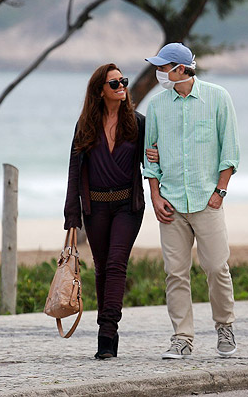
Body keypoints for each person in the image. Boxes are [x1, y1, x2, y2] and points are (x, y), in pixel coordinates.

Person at [142, 42, 240, 359]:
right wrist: (155, 196)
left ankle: (225, 328)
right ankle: (182, 337)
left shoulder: (217, 98)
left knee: (216, 268)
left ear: (180, 69)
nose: (159, 73)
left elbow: (230, 151)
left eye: (163, 67)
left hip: (206, 200)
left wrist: (219, 192)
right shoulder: (157, 106)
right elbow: (150, 158)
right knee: (175, 273)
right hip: (170, 203)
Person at [63, 63, 156, 359]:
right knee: (102, 268)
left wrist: (155, 155)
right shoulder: (85, 126)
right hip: (96, 207)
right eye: (114, 84)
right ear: (100, 91)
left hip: (128, 206)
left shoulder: (138, 123)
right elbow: (74, 172)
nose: (121, 87)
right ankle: (106, 335)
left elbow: (151, 164)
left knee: (116, 264)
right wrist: (72, 217)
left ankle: (107, 332)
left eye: (123, 81)